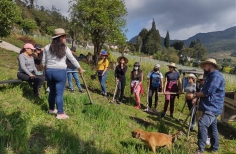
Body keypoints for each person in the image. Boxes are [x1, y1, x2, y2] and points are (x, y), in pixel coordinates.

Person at [42, 28, 83, 120]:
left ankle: (51, 109)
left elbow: (43, 61)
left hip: (49, 71)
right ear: (60, 37)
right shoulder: (64, 48)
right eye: (64, 36)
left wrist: (45, 72)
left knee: (52, 92)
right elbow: (72, 59)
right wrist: (79, 68)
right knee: (59, 94)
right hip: (60, 72)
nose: (65, 38)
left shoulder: (47, 47)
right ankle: (60, 113)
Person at [194, 58, 225, 154]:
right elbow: (205, 90)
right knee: (213, 127)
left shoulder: (216, 77)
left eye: (205, 66)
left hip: (212, 107)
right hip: (210, 106)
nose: (203, 67)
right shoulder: (210, 76)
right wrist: (198, 94)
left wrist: (196, 95)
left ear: (210, 66)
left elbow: (207, 92)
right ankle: (214, 148)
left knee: (202, 123)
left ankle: (200, 149)